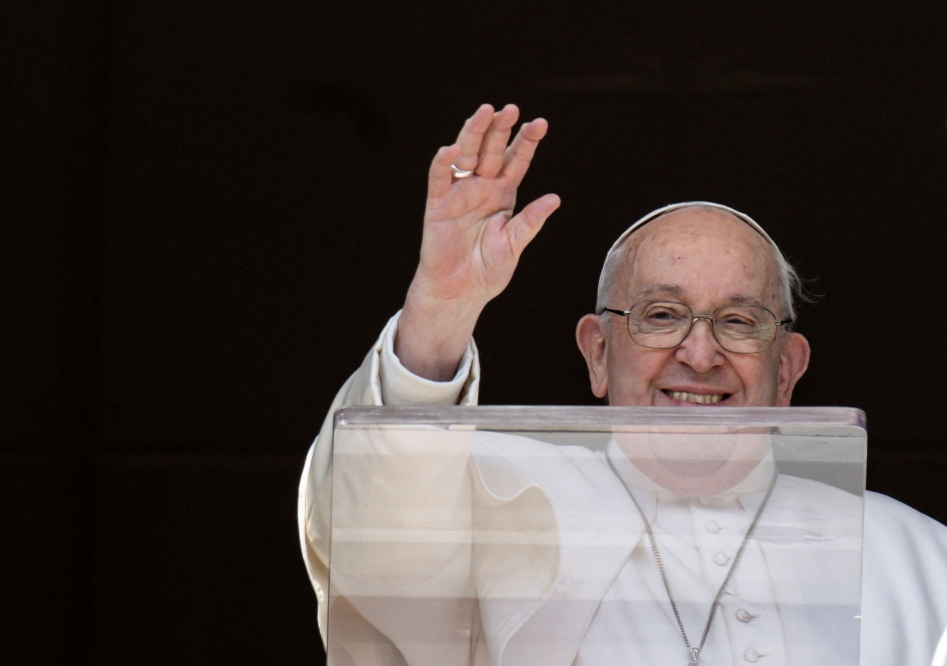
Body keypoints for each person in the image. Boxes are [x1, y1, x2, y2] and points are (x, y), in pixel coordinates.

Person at [299, 104, 947, 665]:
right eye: (661, 316)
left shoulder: (919, 560)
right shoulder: (496, 510)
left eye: (739, 321)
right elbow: (369, 523)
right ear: (599, 353)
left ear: (788, 369)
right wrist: (439, 312)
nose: (699, 354)